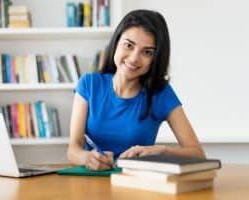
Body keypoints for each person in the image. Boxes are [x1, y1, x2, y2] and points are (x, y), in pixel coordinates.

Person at [67, 9, 205, 171]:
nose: (134, 58)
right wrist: (88, 158)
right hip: (91, 183)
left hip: (138, 184)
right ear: (116, 43)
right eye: (129, 45)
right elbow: (73, 150)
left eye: (147, 52)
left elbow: (198, 154)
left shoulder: (161, 94)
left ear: (155, 58)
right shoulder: (89, 84)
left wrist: (161, 151)